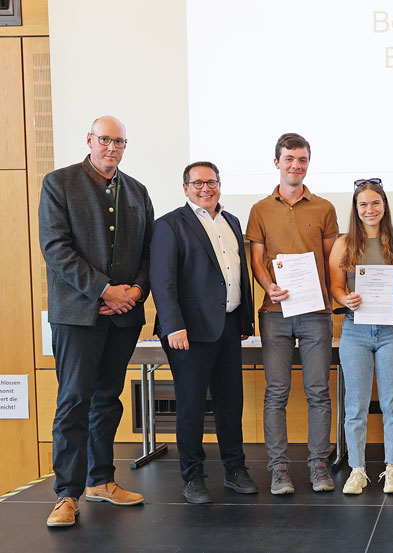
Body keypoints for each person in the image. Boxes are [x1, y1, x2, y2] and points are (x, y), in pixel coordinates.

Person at [39, 116, 152, 527]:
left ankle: (101, 480)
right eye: (104, 139)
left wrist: (135, 292)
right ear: (89, 140)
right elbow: (56, 248)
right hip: (77, 317)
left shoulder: (137, 191)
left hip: (123, 318)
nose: (111, 147)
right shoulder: (59, 183)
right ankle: (66, 495)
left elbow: (147, 253)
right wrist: (106, 290)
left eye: (119, 141)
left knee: (108, 399)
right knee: (73, 401)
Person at [149, 161, 257, 504]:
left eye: (211, 182)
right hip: (188, 332)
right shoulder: (169, 225)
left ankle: (235, 469)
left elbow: (236, 273)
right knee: (192, 406)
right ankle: (193, 476)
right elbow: (162, 281)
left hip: (227, 326)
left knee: (230, 402)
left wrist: (244, 321)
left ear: (220, 185)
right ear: (185, 188)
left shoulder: (232, 222)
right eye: (197, 184)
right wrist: (173, 325)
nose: (205, 189)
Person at [245, 133, 339, 494]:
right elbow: (256, 259)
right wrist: (269, 285)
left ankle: (318, 464)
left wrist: (335, 299)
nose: (295, 165)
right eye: (289, 159)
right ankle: (279, 467)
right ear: (277, 163)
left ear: (307, 163)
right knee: (277, 392)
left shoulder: (325, 208)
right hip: (274, 312)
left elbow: (332, 262)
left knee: (318, 391)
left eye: (301, 160)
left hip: (316, 313)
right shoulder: (259, 209)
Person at [328, 179, 393, 494]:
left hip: (391, 329)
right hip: (355, 329)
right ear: (355, 208)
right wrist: (344, 298)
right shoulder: (344, 243)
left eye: (375, 203)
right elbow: (336, 286)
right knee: (355, 404)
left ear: (384, 206)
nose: (370, 209)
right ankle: (358, 470)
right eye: (363, 204)